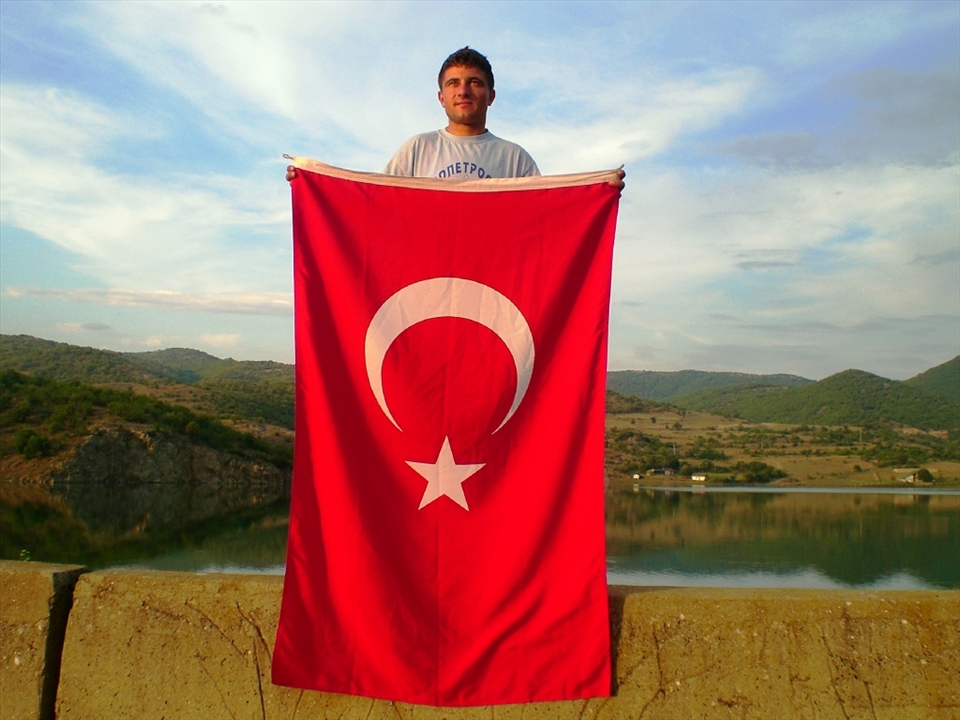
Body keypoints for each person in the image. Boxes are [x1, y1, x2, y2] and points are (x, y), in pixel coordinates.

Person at [287, 47, 624, 188]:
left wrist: (596, 194)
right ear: (441, 97)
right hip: (427, 281)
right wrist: (314, 183)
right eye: (454, 84)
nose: (463, 91)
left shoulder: (514, 159)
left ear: (490, 96)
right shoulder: (417, 149)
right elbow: (376, 207)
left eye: (474, 83)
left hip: (492, 281)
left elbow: (545, 223)